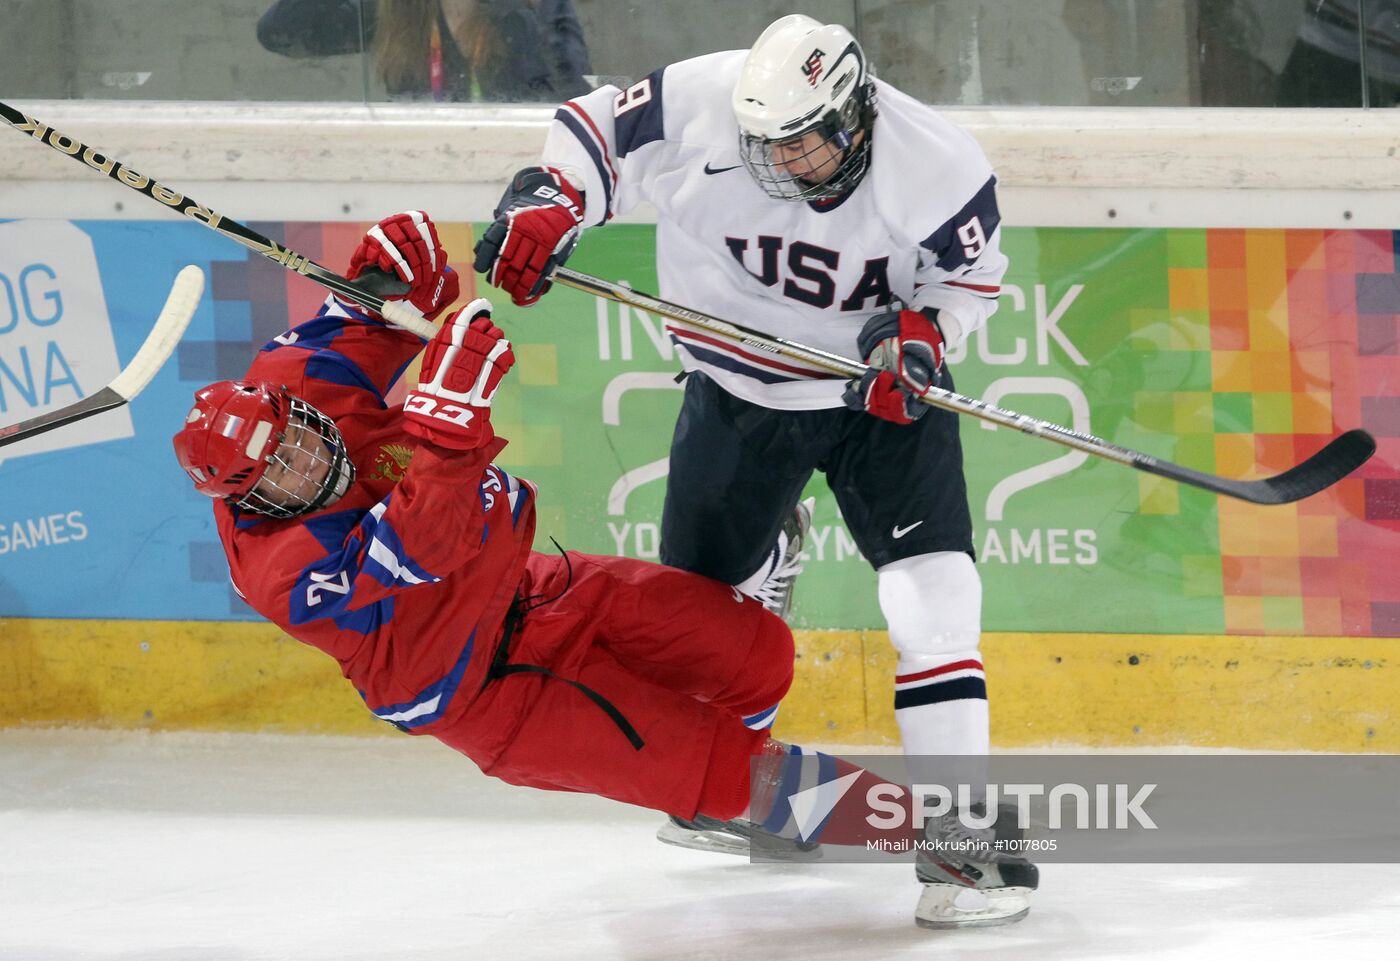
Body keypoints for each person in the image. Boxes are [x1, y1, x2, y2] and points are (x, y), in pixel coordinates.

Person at [172, 210, 1035, 929]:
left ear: (285, 405)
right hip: (489, 689)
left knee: (758, 654)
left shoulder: (292, 379)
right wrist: (445, 426)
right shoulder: (279, 567)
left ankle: (727, 798)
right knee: (741, 773)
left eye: (292, 434)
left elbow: (380, 314)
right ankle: (925, 836)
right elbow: (420, 548)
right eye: (278, 472)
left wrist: (394, 271)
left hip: (534, 589)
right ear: (255, 500)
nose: (300, 459)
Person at [471, 14, 1036, 926]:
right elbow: (589, 131)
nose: (784, 165)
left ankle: (964, 834)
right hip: (738, 394)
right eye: (767, 147)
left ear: (855, 116)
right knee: (700, 619)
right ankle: (738, 796)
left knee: (936, 599)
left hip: (872, 401)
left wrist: (922, 341)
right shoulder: (705, 99)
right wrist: (551, 201)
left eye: (807, 144)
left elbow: (964, 282)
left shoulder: (938, 165)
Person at [256, 0, 592, 102]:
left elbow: (573, 99)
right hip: (421, 188)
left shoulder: (524, 14)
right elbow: (279, 34)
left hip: (509, 186)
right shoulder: (391, 13)